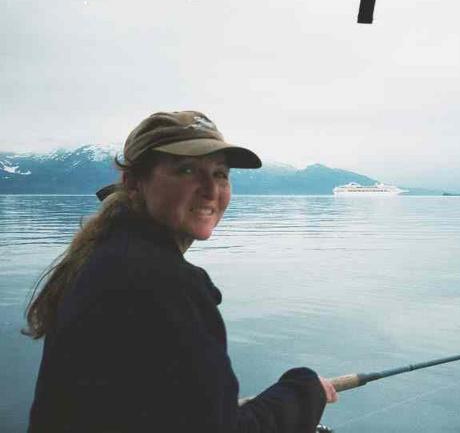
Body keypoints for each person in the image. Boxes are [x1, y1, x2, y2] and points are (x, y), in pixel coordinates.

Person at [25, 111, 337, 432]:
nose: (210, 189)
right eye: (187, 170)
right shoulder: (163, 282)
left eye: (220, 174)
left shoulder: (104, 256)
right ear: (134, 182)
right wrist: (303, 391)